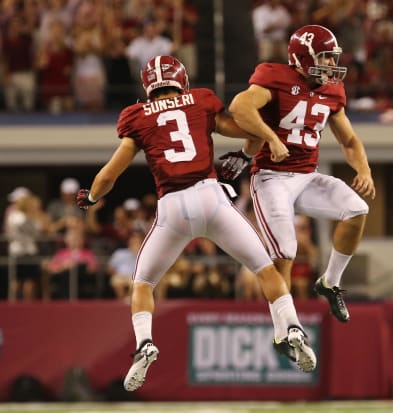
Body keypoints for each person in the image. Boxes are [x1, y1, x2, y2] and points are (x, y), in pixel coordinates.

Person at [75, 55, 316, 392]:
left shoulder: (138, 116)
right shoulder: (200, 100)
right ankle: (291, 327)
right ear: (181, 80)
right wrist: (259, 140)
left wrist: (90, 197)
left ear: (149, 86)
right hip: (212, 198)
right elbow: (247, 130)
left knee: (143, 283)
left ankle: (145, 343)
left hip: (172, 208)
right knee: (265, 269)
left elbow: (110, 174)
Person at [219, 25, 375, 327]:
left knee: (357, 210)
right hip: (270, 177)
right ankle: (285, 329)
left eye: (333, 58)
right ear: (303, 57)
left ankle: (329, 283)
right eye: (326, 57)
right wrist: (271, 138)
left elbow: (349, 141)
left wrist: (364, 170)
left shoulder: (332, 90)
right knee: (286, 250)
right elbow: (240, 106)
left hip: (306, 176)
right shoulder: (274, 76)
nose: (331, 64)